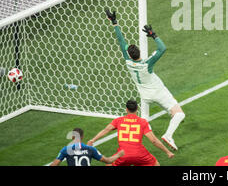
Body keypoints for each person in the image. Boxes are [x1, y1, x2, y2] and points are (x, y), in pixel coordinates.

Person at [105, 9, 186, 151]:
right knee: (179, 113)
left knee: (173, 112)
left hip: (145, 95)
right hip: (158, 92)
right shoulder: (147, 64)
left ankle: (137, 136)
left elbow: (121, 40)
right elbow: (162, 48)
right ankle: (168, 135)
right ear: (139, 53)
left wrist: (114, 22)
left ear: (129, 54)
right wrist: (153, 35)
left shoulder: (127, 61)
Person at [87, 100, 174, 166]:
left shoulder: (118, 121)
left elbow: (106, 130)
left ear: (126, 109)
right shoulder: (142, 122)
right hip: (140, 154)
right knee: (156, 164)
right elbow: (154, 141)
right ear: (137, 109)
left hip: (122, 154)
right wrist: (167, 152)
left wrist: (93, 139)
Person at [50, 128, 125, 166]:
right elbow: (108, 160)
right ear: (82, 137)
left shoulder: (66, 150)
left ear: (72, 137)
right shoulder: (90, 149)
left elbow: (54, 164)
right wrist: (119, 154)